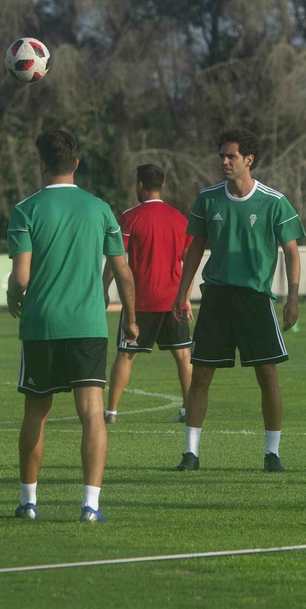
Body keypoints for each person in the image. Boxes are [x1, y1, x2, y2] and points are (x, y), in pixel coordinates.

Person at [7, 129, 135, 522]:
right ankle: (90, 506)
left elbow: (22, 277)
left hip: (42, 324)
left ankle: (29, 503)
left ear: (42, 164)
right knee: (92, 413)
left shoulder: (26, 209)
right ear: (76, 163)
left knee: (36, 411)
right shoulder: (100, 209)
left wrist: (14, 296)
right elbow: (123, 271)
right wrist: (131, 318)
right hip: (88, 324)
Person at [172, 130, 304, 473]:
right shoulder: (208, 198)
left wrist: (293, 297)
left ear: (249, 160)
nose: (224, 162)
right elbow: (195, 248)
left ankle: (272, 453)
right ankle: (191, 453)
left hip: (256, 298)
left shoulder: (274, 201)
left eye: (231, 156)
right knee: (200, 375)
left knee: (267, 374)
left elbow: (291, 250)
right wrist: (182, 293)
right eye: (221, 156)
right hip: (216, 296)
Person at [104, 164, 193, 426]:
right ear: (162, 185)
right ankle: (188, 411)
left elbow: (116, 258)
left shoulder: (130, 217)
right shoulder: (179, 218)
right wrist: (185, 298)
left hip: (140, 301)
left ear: (140, 186)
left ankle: (111, 413)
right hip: (173, 300)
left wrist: (103, 288)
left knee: (125, 354)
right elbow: (189, 262)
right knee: (183, 355)